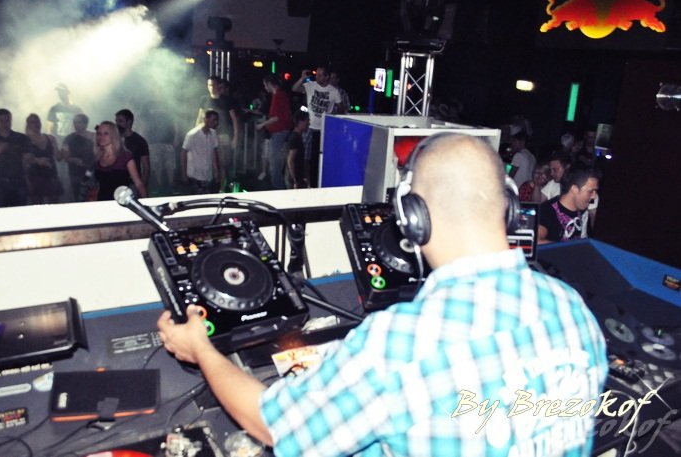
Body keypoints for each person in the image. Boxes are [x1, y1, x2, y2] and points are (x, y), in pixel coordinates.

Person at [158, 133, 608, 457]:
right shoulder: (571, 309)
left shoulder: (403, 344)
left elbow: (273, 424)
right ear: (509, 208)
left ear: (412, 217)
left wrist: (201, 349)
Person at [292, 66, 341, 187]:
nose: (317, 77)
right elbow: (294, 89)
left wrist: (333, 119)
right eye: (316, 74)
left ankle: (317, 182)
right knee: (305, 157)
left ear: (326, 77)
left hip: (324, 129)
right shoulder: (311, 86)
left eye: (320, 75)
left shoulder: (334, 91)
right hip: (309, 126)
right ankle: (307, 182)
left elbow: (341, 107)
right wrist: (302, 78)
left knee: (319, 158)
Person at [0, 108, 31, 207]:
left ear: (11, 120)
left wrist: (32, 160)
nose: (5, 124)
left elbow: (28, 160)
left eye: (7, 120)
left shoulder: (21, 138)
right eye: (1, 121)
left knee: (20, 213)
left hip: (19, 182)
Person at [196, 77, 239, 192]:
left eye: (213, 85)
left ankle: (222, 188)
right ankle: (208, 186)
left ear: (218, 86)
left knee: (222, 163)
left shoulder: (226, 100)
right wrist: (197, 134)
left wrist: (235, 137)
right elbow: (200, 118)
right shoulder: (204, 99)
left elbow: (234, 120)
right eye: (209, 85)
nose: (211, 88)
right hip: (208, 135)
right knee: (207, 162)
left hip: (222, 135)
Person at [538, 166, 600, 244]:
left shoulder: (580, 209)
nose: (594, 196)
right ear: (574, 189)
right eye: (590, 191)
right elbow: (537, 241)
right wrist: (569, 248)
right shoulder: (547, 211)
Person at [93, 121, 147, 201]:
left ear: (114, 135)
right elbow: (97, 186)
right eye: (99, 133)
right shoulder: (98, 158)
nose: (101, 136)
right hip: (102, 202)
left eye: (106, 133)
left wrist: (147, 202)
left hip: (121, 202)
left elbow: (138, 183)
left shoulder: (125, 156)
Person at [256, 74, 292, 190]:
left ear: (269, 84)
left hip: (279, 132)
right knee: (276, 161)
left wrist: (262, 124)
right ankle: (279, 185)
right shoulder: (280, 95)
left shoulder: (278, 96)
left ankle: (278, 187)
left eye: (265, 85)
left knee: (274, 162)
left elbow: (276, 118)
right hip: (282, 131)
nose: (264, 87)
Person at [24, 113, 63, 204]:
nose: (36, 124)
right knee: (37, 206)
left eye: (37, 121)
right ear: (28, 125)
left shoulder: (50, 138)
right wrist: (37, 161)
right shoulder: (25, 140)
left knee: (54, 206)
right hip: (34, 177)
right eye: (33, 122)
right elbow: (23, 160)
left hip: (50, 175)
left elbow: (58, 157)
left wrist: (63, 152)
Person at [181, 110, 220, 195]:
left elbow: (214, 152)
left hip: (207, 174)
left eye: (216, 120)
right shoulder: (192, 134)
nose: (216, 123)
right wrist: (184, 174)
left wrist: (216, 171)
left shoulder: (213, 133)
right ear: (206, 119)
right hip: (194, 175)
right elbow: (183, 153)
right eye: (213, 120)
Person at [61, 114, 95, 202]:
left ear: (85, 124)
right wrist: (74, 160)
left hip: (92, 172)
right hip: (76, 173)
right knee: (79, 197)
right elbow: (65, 156)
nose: (76, 125)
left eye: (79, 122)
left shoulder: (94, 136)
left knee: (92, 196)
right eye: (75, 123)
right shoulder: (69, 138)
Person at [115, 109, 150, 189]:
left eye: (120, 121)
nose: (117, 124)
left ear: (129, 122)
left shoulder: (139, 141)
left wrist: (143, 187)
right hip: (115, 182)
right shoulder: (113, 139)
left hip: (132, 184)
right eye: (116, 121)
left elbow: (146, 167)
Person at [286, 110, 309, 189]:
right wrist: (295, 180)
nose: (308, 123)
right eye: (307, 121)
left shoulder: (297, 137)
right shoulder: (295, 138)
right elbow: (290, 160)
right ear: (301, 122)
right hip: (295, 179)